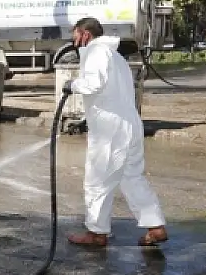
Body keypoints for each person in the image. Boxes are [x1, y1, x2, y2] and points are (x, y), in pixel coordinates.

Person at [62, 17, 167, 247]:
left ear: (85, 34)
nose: (74, 40)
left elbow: (93, 83)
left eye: (75, 35)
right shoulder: (117, 57)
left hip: (110, 129)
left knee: (98, 181)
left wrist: (72, 85)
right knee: (132, 178)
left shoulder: (95, 51)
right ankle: (155, 226)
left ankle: (96, 233)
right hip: (130, 125)